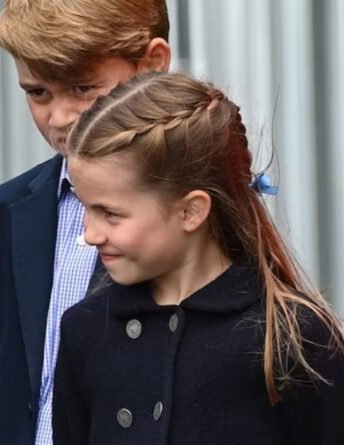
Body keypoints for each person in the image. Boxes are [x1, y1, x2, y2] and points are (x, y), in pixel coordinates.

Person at [0, 1, 171, 443]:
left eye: (84, 87)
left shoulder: (195, 218)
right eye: (38, 93)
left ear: (153, 64)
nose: (60, 118)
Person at [53, 71, 344, 444]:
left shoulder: (294, 336)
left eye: (111, 214)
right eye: (85, 209)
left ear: (191, 211)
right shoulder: (86, 329)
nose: (90, 235)